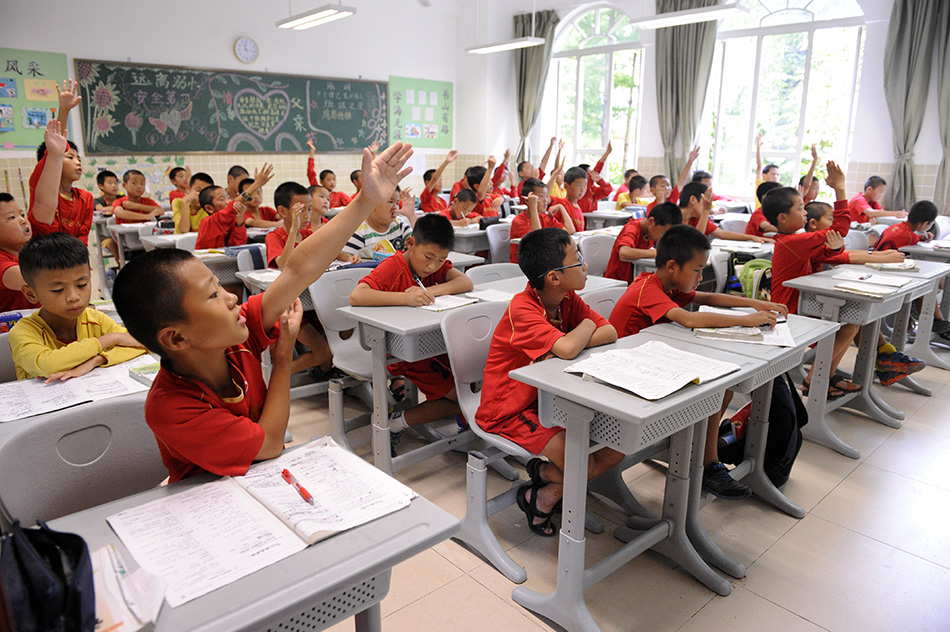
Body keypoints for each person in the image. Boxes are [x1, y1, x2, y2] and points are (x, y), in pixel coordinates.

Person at [111, 142, 414, 483]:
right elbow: (269, 444)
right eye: (213, 294)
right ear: (177, 338)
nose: (231, 297)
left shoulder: (235, 336)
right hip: (213, 498)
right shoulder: (170, 407)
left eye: (219, 286)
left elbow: (299, 269)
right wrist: (282, 361)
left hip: (262, 480)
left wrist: (364, 203)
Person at [609, 224, 787, 498]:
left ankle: (704, 454)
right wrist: (746, 320)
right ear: (672, 266)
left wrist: (755, 304)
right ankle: (706, 462)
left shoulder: (667, 285)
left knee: (724, 386)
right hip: (623, 375)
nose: (701, 277)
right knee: (716, 388)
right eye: (697, 270)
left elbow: (706, 296)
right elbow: (689, 318)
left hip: (647, 362)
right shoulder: (647, 288)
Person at [475, 227, 622, 536]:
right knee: (583, 465)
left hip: (549, 399)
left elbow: (610, 332)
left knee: (617, 445)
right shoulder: (523, 308)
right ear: (554, 277)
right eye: (577, 259)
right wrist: (583, 328)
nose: (584, 264)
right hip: (508, 410)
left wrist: (572, 341)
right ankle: (543, 491)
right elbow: (568, 348)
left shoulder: (568, 298)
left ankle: (544, 480)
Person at [766, 162, 923, 395]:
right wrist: (840, 189)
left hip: (805, 302)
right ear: (783, 218)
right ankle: (816, 378)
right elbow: (840, 228)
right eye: (800, 208)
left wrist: (850, 250)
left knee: (857, 317)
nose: (805, 211)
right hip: (790, 310)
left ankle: (829, 374)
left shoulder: (797, 242)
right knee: (851, 324)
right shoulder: (792, 242)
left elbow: (836, 256)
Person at [349, 214, 474, 453]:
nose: (432, 266)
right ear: (410, 244)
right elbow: (357, 296)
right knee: (465, 397)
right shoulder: (394, 266)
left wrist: (429, 292)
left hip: (432, 345)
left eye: (441, 260)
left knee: (475, 386)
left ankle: (461, 420)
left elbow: (465, 283)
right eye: (428, 257)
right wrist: (405, 298)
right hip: (400, 351)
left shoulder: (435, 267)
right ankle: (395, 423)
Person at [9, 233, 146, 381]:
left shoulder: (95, 319)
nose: (73, 297)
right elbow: (48, 364)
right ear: (31, 294)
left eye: (82, 285)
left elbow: (142, 344)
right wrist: (111, 339)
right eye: (58, 290)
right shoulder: (22, 332)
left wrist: (97, 360)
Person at [265, 181, 345, 379]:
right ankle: (271, 379)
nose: (308, 216)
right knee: (325, 353)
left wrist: (349, 258)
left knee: (338, 344)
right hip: (290, 309)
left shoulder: (310, 234)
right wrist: (293, 231)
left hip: (315, 305)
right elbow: (285, 266)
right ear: (282, 212)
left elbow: (329, 256)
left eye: (309, 209)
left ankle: (324, 372)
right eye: (301, 211)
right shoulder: (274, 237)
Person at [871, 200, 950, 339]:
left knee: (924, 285)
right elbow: (910, 240)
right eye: (930, 225)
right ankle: (938, 323)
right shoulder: (909, 236)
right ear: (924, 224)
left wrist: (921, 237)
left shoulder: (897, 228)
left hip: (878, 268)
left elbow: (909, 239)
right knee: (925, 287)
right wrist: (921, 237)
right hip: (883, 274)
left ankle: (936, 322)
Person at [28, 120, 94, 244]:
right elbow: (54, 151)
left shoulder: (86, 198)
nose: (78, 162)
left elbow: (83, 235)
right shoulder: (41, 189)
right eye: (70, 157)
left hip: (73, 253)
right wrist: (64, 111)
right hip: (44, 252)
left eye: (79, 159)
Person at [196, 165, 273, 249]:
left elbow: (238, 245)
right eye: (221, 199)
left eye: (228, 197)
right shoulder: (207, 223)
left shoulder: (232, 221)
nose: (227, 202)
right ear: (209, 208)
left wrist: (239, 220)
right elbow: (229, 209)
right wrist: (257, 184)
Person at [603, 202, 682, 283]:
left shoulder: (650, 230)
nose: (663, 237)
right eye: (663, 233)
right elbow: (624, 253)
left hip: (633, 277)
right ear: (651, 221)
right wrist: (657, 253)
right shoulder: (632, 228)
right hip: (617, 281)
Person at [679, 182, 772, 243]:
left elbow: (722, 234)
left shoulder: (696, 219)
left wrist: (751, 237)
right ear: (693, 200)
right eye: (706, 202)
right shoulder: (675, 218)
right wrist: (706, 211)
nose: (709, 206)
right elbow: (694, 242)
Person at [508, 178, 574, 262]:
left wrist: (561, 208)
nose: (546, 200)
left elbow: (570, 231)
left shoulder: (545, 217)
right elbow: (536, 239)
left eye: (547, 196)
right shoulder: (518, 221)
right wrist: (533, 206)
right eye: (541, 196)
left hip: (542, 261)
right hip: (524, 264)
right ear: (527, 200)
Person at [342, 184, 416, 259]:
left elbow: (420, 248)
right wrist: (350, 258)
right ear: (372, 204)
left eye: (397, 203)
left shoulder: (401, 227)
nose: (395, 208)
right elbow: (343, 254)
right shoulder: (360, 232)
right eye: (391, 202)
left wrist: (412, 216)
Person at [0, 193, 33, 313]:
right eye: (12, 217)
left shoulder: (31, 253)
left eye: (22, 215)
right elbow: (32, 279)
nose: (23, 221)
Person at [645, 145, 701, 213]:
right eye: (662, 186)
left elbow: (681, 181)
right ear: (652, 190)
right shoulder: (650, 207)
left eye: (668, 185)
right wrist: (660, 201)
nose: (667, 188)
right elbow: (660, 218)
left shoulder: (671, 198)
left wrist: (690, 161)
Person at [575, 143, 614, 214]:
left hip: (592, 219)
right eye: (589, 173)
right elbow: (597, 170)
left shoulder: (593, 190)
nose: (592, 174)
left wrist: (600, 181)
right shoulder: (580, 190)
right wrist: (606, 154)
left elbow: (609, 189)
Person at [420, 150, 457, 214]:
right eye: (438, 180)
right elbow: (434, 178)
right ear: (428, 182)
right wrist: (446, 162)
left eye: (441, 179)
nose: (440, 182)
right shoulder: (426, 197)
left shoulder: (443, 201)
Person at [754, 131, 780, 211]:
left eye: (778, 174)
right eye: (773, 174)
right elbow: (759, 166)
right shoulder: (760, 184)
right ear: (764, 175)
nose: (775, 176)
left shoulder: (779, 190)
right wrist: (758, 149)